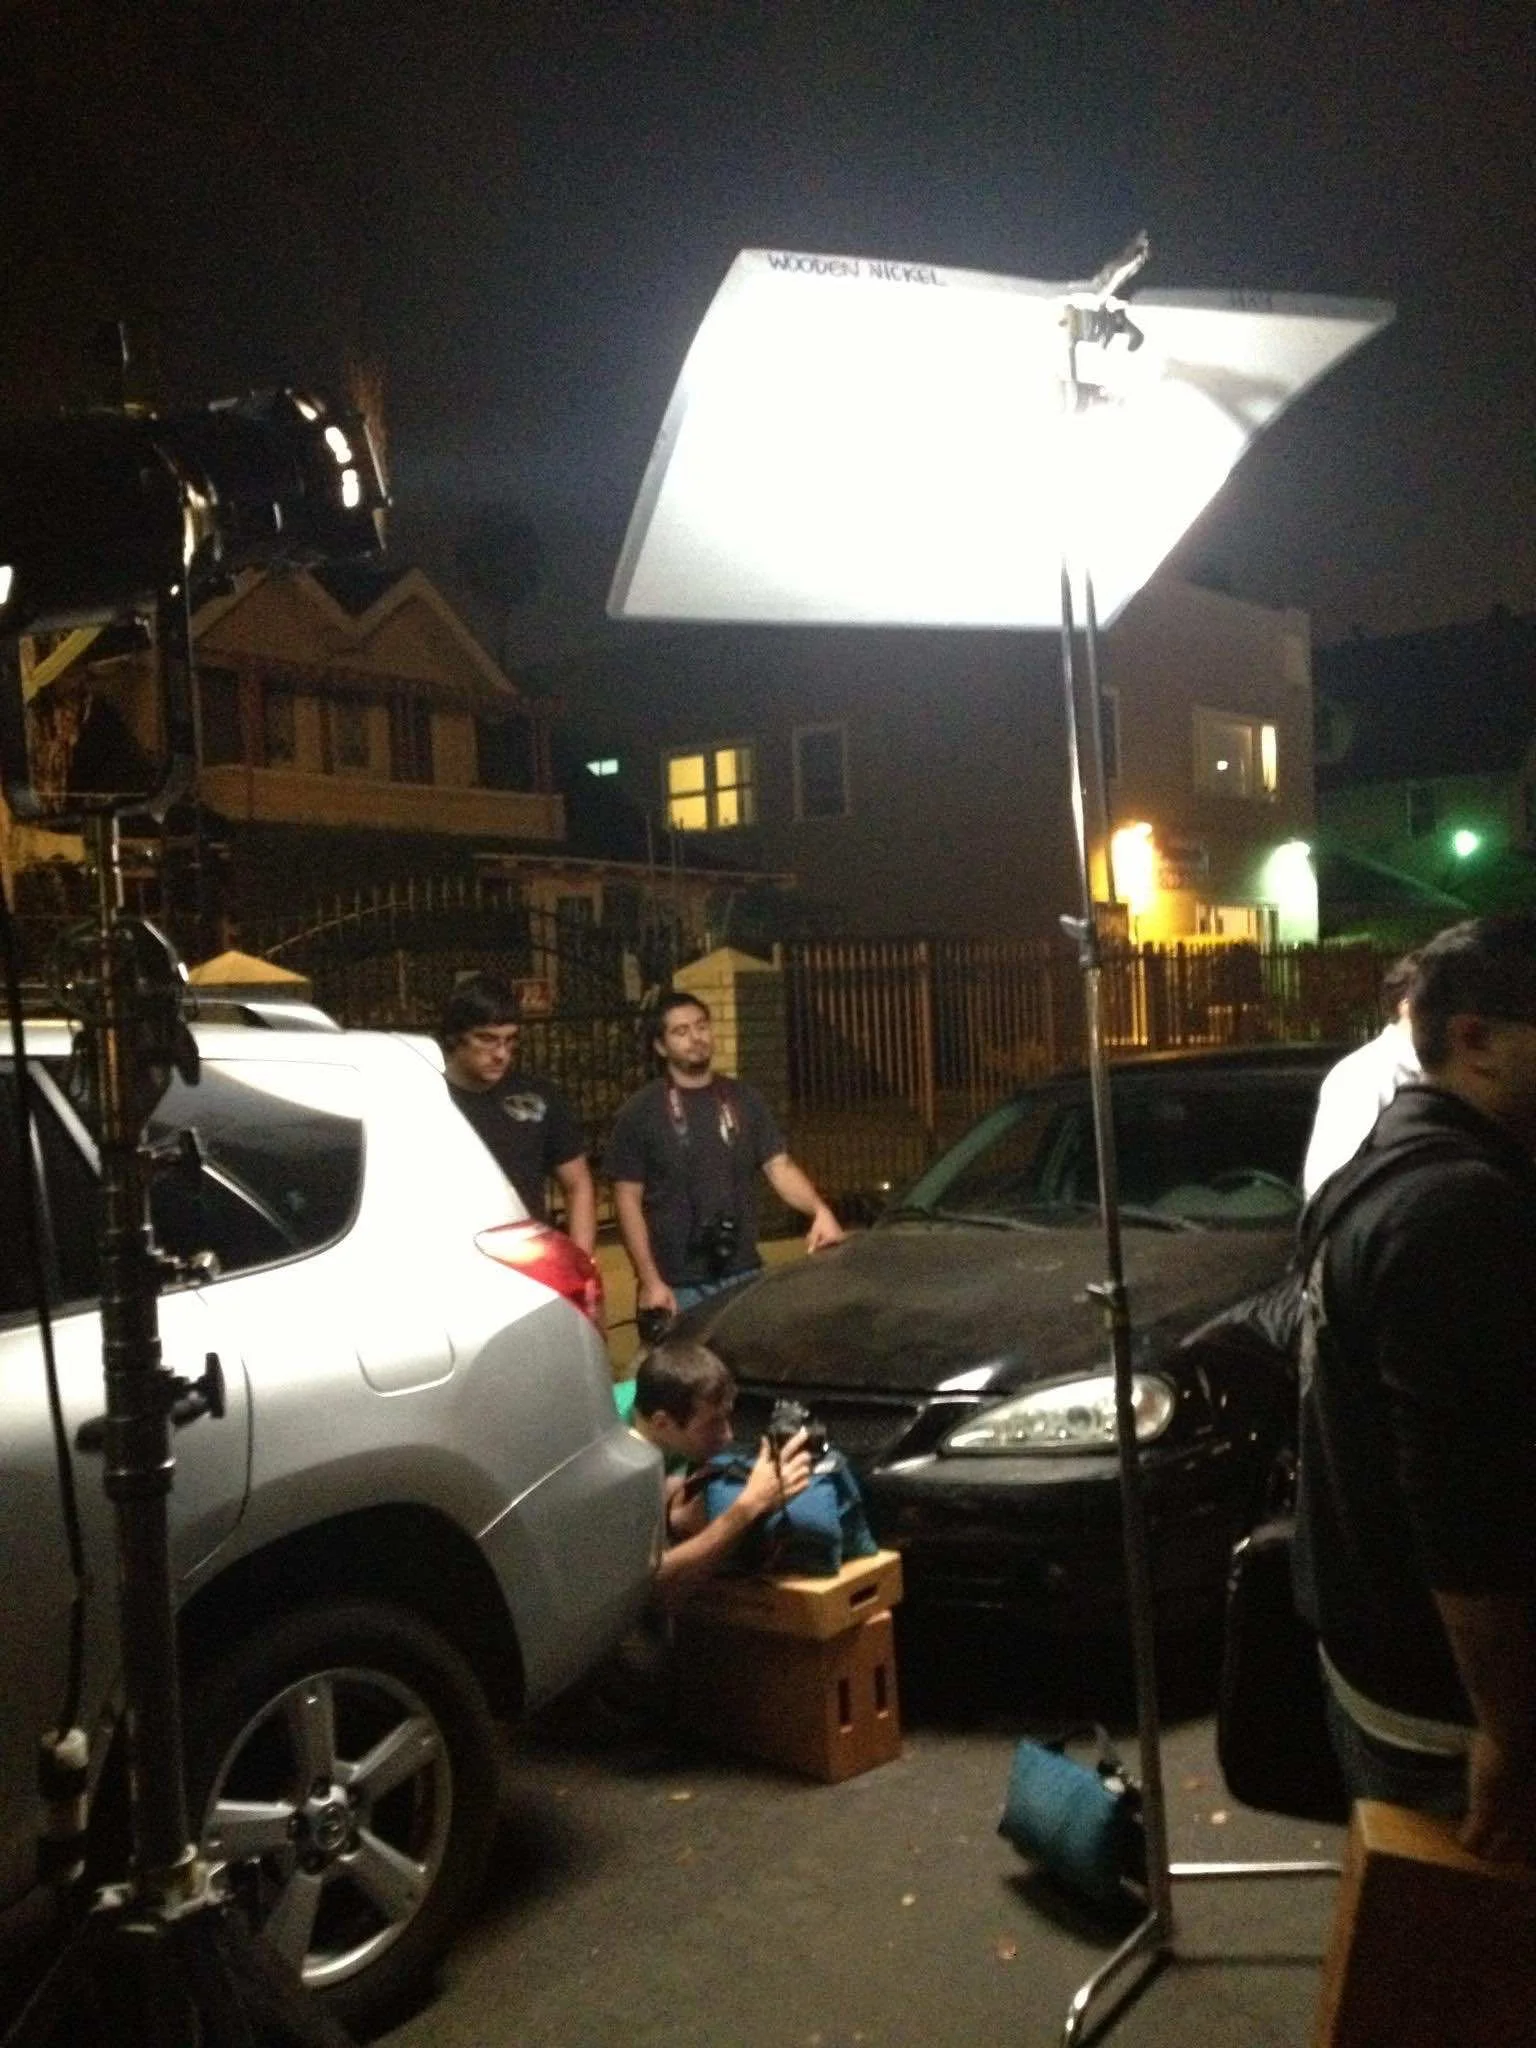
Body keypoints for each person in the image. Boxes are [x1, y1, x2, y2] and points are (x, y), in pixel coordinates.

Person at [1293, 916, 1536, 1863]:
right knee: (1468, 1939)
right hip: (1445, 1705)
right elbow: (1462, 1508)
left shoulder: (1390, 1154)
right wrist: (1510, 1727)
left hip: (1374, 1654)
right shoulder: (1455, 1211)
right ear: (1475, 1039)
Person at [605, 990, 844, 1319]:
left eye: (701, 1026)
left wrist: (819, 1210)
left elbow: (779, 1166)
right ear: (661, 1046)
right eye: (681, 1031)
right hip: (675, 1284)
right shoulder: (640, 1112)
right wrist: (649, 1280)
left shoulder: (744, 1098)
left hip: (743, 1271)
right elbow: (627, 1199)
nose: (696, 1038)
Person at [629, 1339, 814, 1601]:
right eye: (712, 1423)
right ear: (662, 1423)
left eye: (727, 1417)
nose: (727, 1436)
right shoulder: (626, 1478)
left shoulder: (658, 1439)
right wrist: (749, 1505)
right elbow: (651, 1587)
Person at [438, 974, 596, 1253]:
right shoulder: (427, 1098)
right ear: (454, 1036)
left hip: (526, 1257)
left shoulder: (539, 1096)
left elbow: (578, 1183)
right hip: (452, 1255)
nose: (501, 1054)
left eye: (510, 1040)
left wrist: (580, 1261)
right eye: (487, 1039)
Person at [1301, 950, 1421, 1196]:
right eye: (1446, 999)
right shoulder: (1366, 1075)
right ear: (1406, 1005)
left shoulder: (1433, 1070)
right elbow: (1332, 1186)